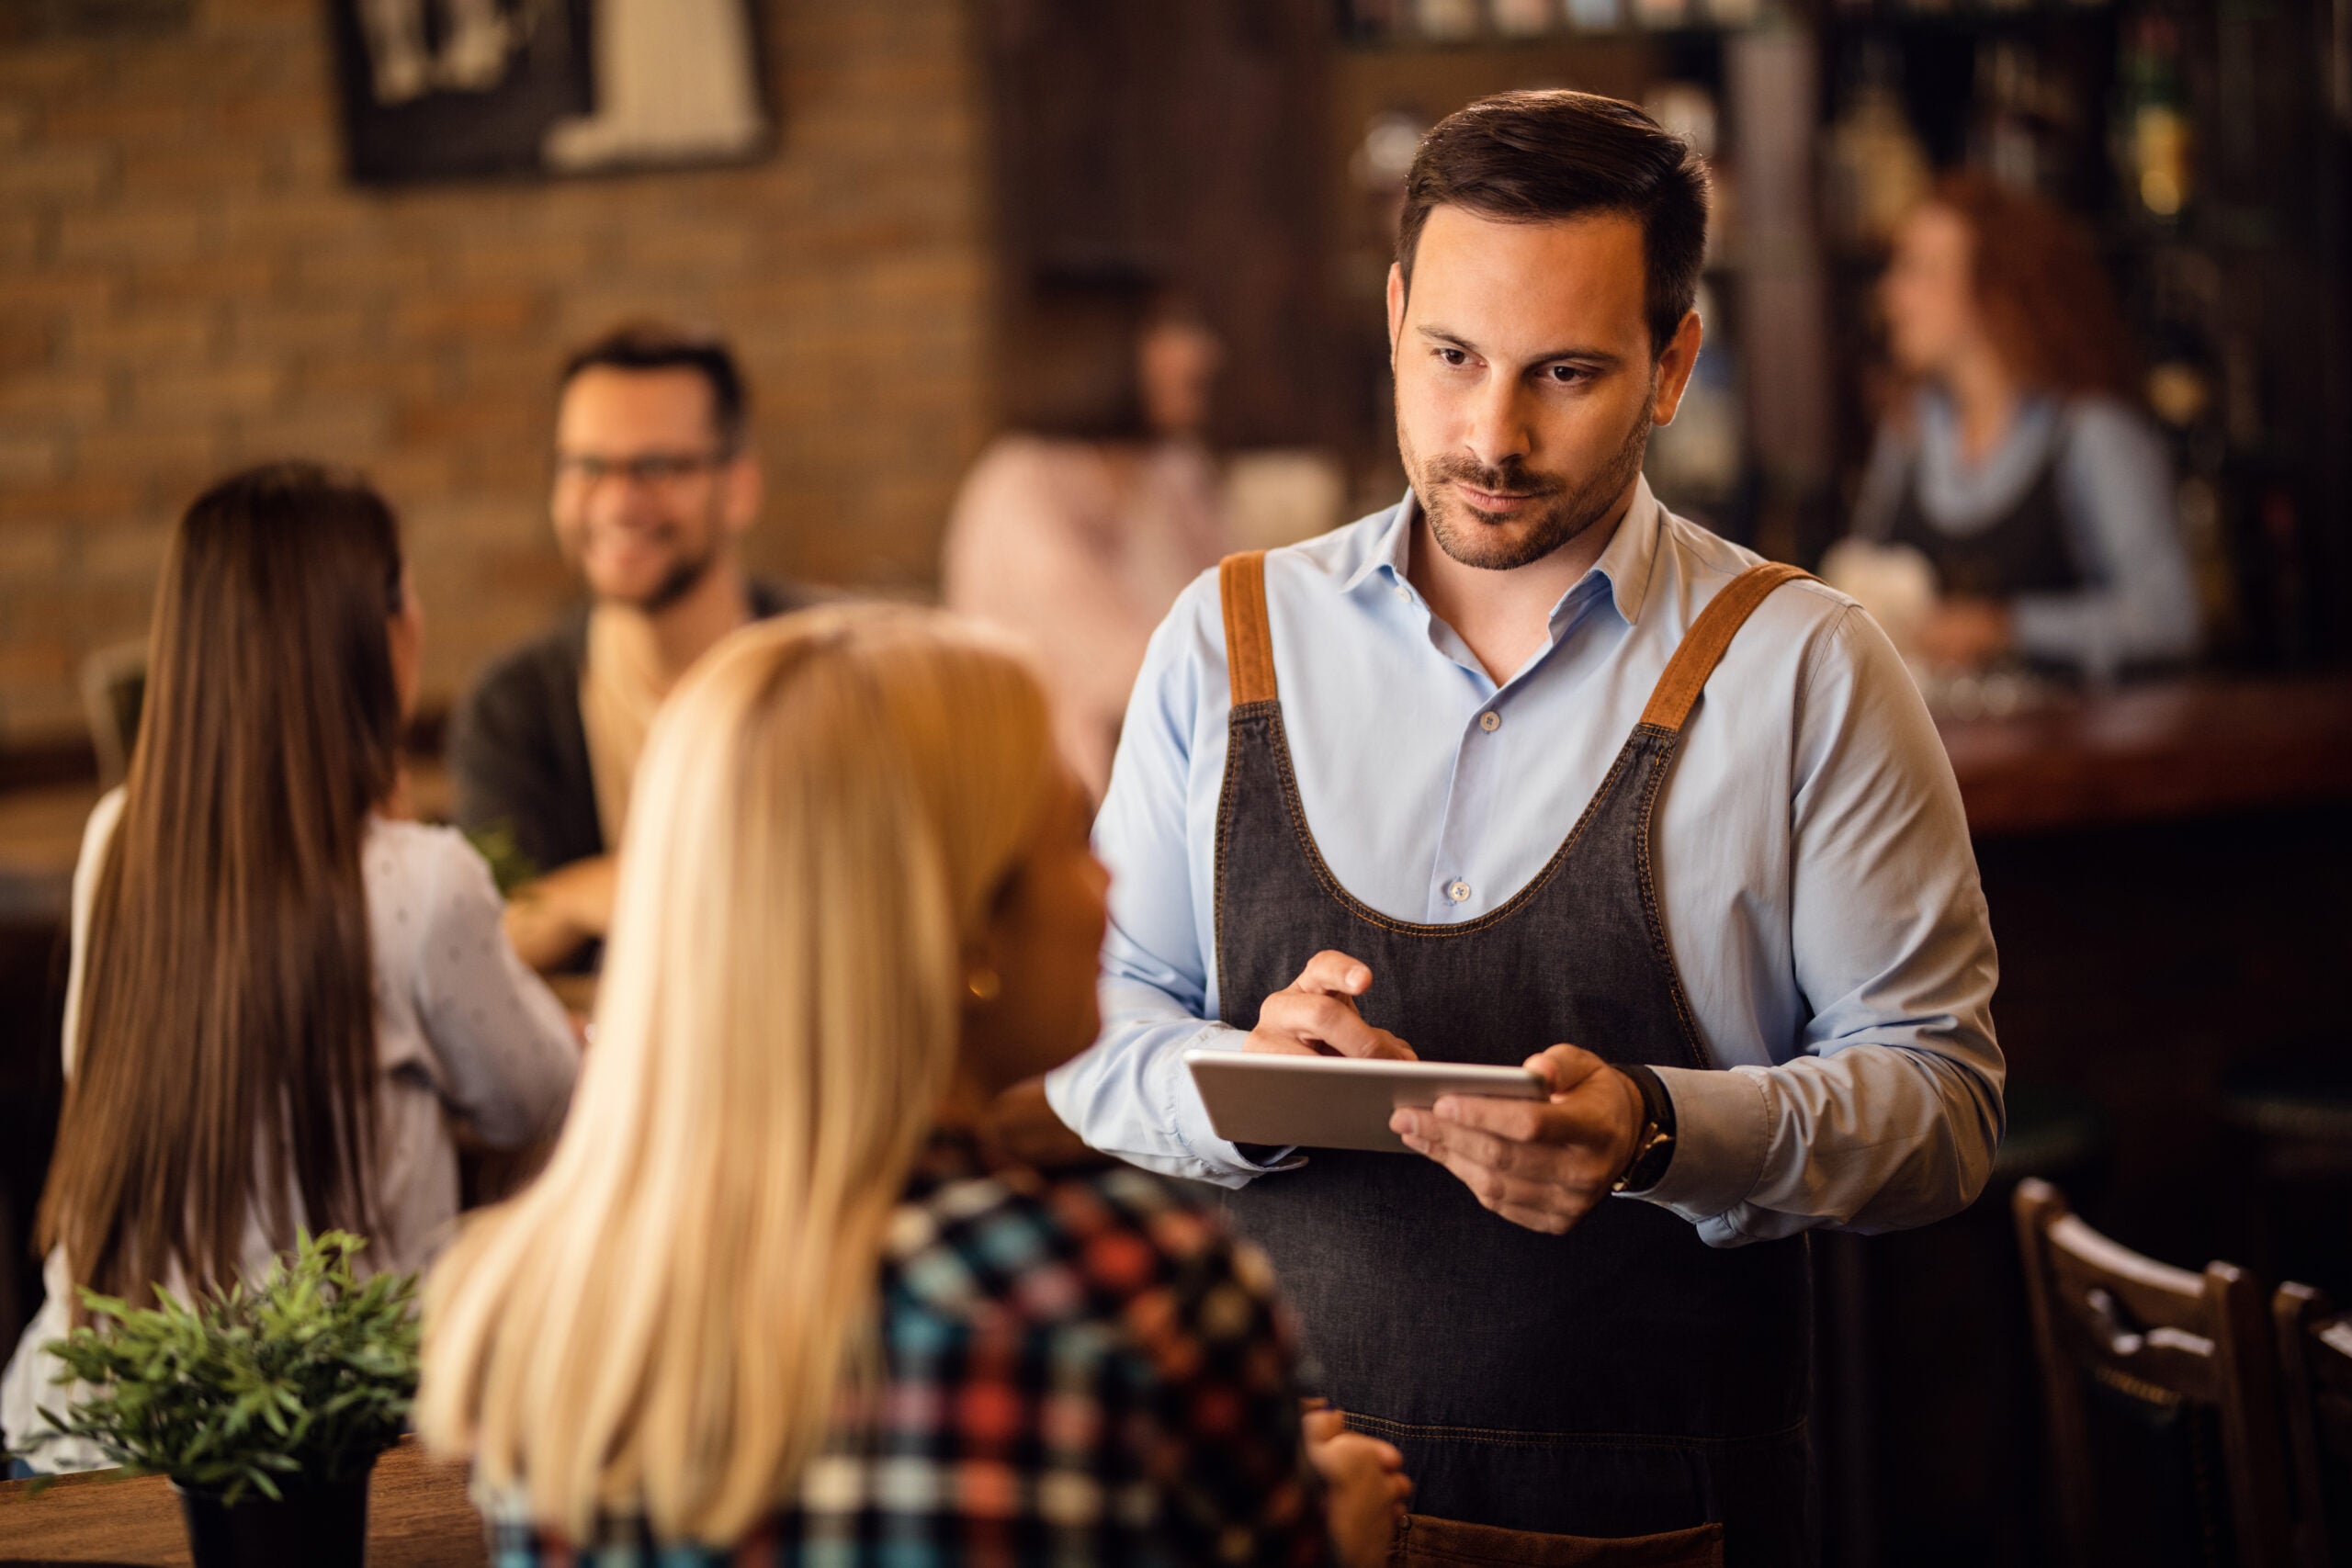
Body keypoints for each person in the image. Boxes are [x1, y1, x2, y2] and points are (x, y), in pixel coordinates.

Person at [1046, 91, 2005, 1564]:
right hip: (1270, 1503)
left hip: (1667, 1516)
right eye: (1451, 358)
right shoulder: (1227, 638)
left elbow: (1941, 1107)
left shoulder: (1806, 665)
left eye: (1564, 371)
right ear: (1392, 317)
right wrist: (1233, 1074)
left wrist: (1664, 1128)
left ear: (1675, 361)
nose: (1491, 433)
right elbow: (1098, 1034)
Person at [417, 606, 1412, 1564]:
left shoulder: (541, 1305)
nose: (1111, 885)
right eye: (1071, 838)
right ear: (967, 931)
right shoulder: (1129, 1294)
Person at [3, 464, 580, 1474]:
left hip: (82, 1424)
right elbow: (539, 1104)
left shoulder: (115, 841)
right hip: (318, 1453)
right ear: (374, 635)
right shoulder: (420, 879)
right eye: (407, 590)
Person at [448, 321, 812, 971]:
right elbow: (479, 942)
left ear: (740, 489)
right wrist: (580, 896)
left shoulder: (827, 668)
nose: (617, 501)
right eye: (587, 466)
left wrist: (605, 889)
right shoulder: (516, 705)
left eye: (657, 466)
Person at [1849, 170, 2199, 676]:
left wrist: (2005, 629)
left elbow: (2170, 620)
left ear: (1995, 291)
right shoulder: (1909, 430)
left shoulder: (2090, 433)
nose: (1891, 294)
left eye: (1918, 270)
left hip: (2068, 751)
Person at [942, 276, 1227, 798]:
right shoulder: (1019, 484)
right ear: (1096, 351)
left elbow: (1239, 610)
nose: (1202, 353)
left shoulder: (1172, 472)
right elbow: (1133, 668)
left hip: (1181, 781)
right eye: (1169, 330)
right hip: (1053, 807)